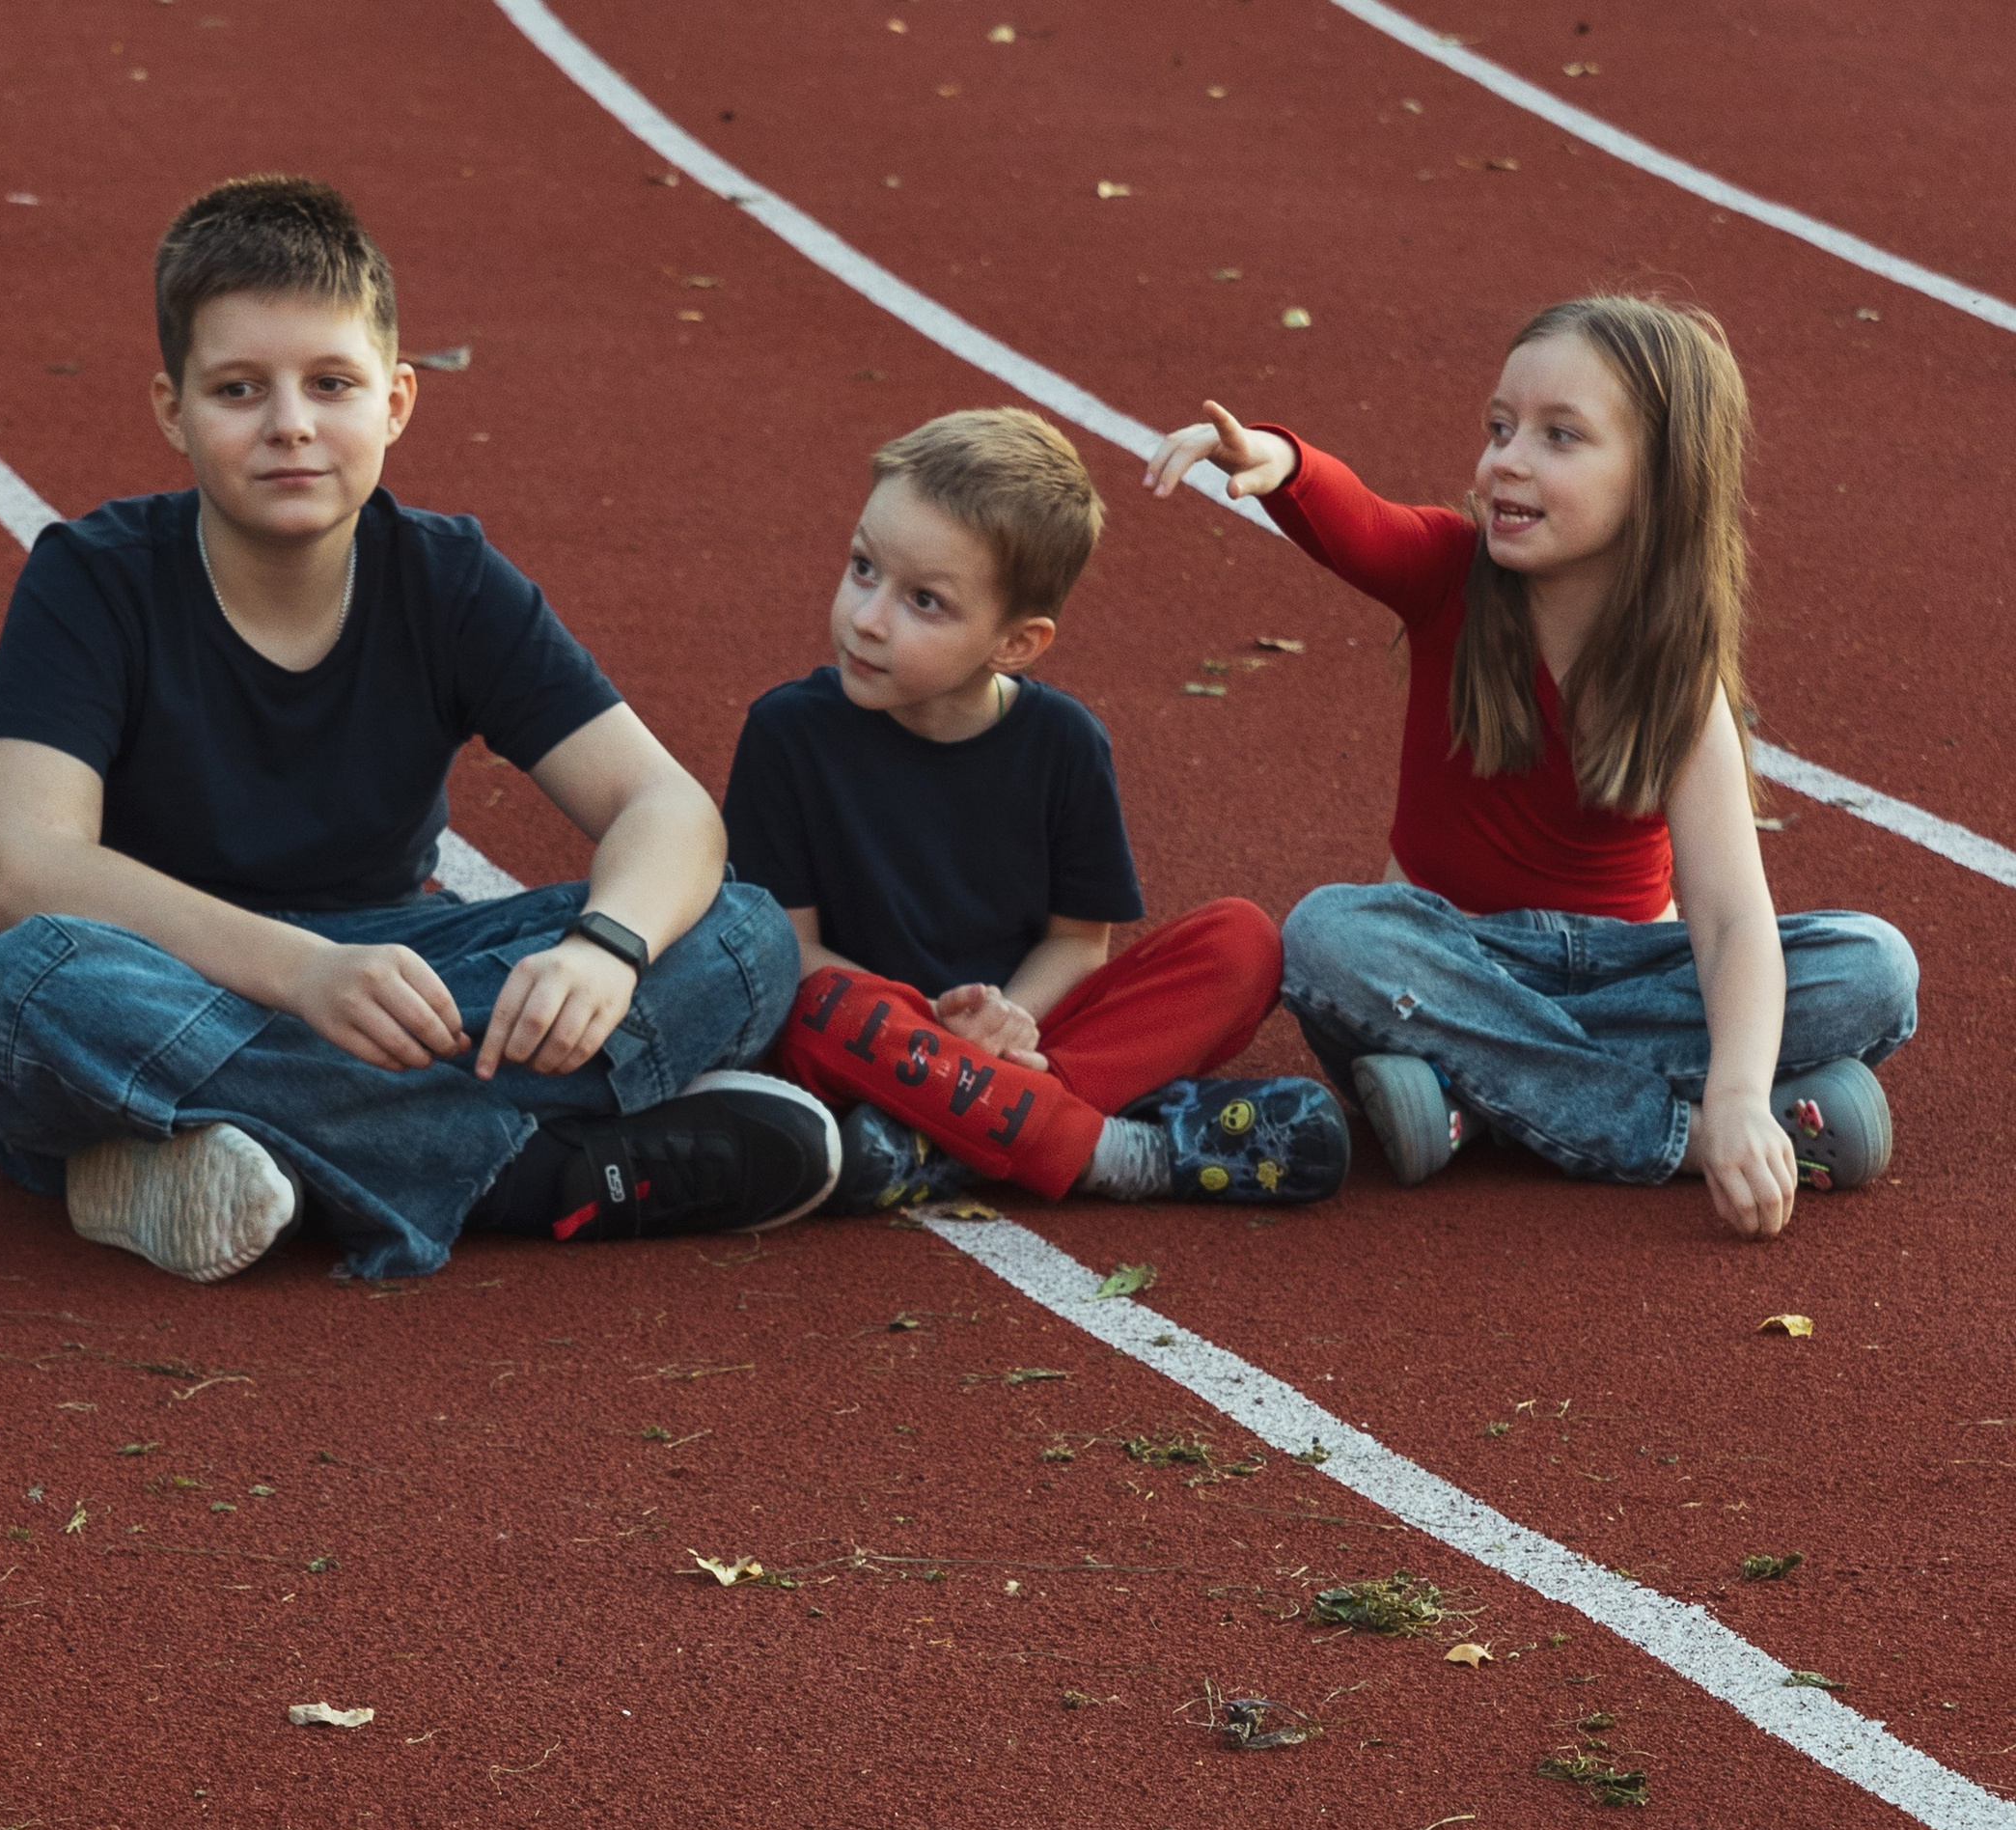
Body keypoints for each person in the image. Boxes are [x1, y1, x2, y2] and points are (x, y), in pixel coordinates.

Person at [0, 175, 838, 1286]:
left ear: (397, 402)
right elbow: (26, 868)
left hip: (400, 973)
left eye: (330, 383)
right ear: (173, 410)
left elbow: (665, 809)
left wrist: (603, 951)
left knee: (740, 932)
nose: (290, 425)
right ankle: (531, 1177)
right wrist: (304, 971)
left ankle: (263, 1155)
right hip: (168, 972)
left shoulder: (448, 580)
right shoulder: (93, 580)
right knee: (22, 993)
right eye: (237, 389)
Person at [1146, 294, 1917, 1238]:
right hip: (1456, 958)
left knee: (1875, 967)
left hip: (1625, 972)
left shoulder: (1677, 679)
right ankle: (1678, 1134)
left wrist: (1742, 1082)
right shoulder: (1446, 572)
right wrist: (1280, 464)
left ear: (1657, 482)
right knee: (1327, 935)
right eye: (1500, 427)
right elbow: (1357, 521)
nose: (1506, 458)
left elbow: (1726, 920)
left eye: (1559, 437)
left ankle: (1476, 1102)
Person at [724, 407, 1350, 1214]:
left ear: (1016, 644)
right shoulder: (788, 733)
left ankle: (947, 1144)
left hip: (1028, 1039)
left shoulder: (1063, 742)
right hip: (873, 1044)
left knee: (1246, 943)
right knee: (813, 1008)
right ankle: (1108, 1151)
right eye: (862, 569)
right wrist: (936, 1034)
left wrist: (1006, 1024)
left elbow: (1078, 945)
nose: (868, 617)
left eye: (924, 601)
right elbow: (795, 955)